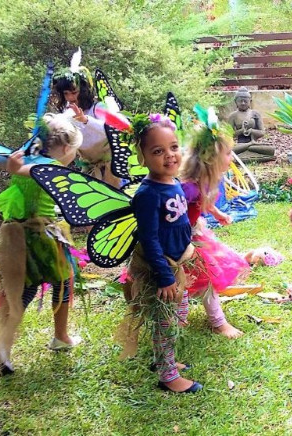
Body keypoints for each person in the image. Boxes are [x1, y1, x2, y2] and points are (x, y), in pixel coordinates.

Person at [0, 114, 83, 374]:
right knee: (63, 281)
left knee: (18, 290)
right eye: (74, 152)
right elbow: (34, 172)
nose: (74, 157)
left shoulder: (21, 158)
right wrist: (16, 169)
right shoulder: (48, 166)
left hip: (14, 234)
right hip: (41, 236)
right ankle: (60, 336)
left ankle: (4, 345)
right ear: (66, 149)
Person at [126, 114, 202, 393]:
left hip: (175, 264)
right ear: (142, 156)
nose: (169, 156)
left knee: (179, 313)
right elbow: (149, 238)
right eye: (157, 151)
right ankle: (168, 376)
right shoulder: (147, 194)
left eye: (173, 147)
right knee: (165, 321)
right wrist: (163, 277)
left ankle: (164, 360)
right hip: (161, 270)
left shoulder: (173, 182)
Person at [180, 106, 250, 339]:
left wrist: (217, 214)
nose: (231, 157)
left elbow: (205, 202)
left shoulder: (206, 180)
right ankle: (212, 322)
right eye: (228, 153)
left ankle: (199, 319)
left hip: (195, 233)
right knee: (196, 278)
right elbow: (176, 210)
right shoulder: (187, 187)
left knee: (203, 278)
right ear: (212, 158)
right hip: (182, 239)